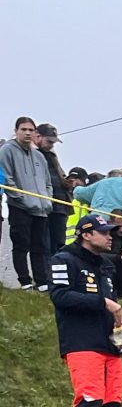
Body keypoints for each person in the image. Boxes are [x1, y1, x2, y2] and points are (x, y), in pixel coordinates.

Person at [49, 212, 122, 407]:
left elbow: (111, 302)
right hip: (81, 343)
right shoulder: (63, 259)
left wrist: (119, 322)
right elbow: (60, 296)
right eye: (104, 232)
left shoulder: (106, 265)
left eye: (110, 232)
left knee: (112, 402)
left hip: (110, 344)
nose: (109, 237)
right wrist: (102, 303)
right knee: (90, 400)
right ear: (86, 234)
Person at [2, 116, 53, 289]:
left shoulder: (39, 156)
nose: (27, 133)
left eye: (31, 130)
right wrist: (20, 198)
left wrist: (47, 200)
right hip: (20, 207)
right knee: (21, 245)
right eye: (23, 129)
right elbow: (6, 178)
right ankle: (25, 281)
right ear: (16, 131)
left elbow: (47, 182)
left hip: (41, 209)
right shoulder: (7, 150)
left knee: (39, 246)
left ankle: (41, 281)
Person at [35, 125, 69, 265]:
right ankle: (47, 274)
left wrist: (67, 182)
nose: (51, 145)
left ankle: (56, 273)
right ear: (38, 136)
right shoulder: (33, 154)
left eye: (53, 142)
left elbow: (59, 176)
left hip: (60, 204)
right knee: (45, 245)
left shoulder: (52, 155)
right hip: (45, 205)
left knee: (59, 244)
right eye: (49, 141)